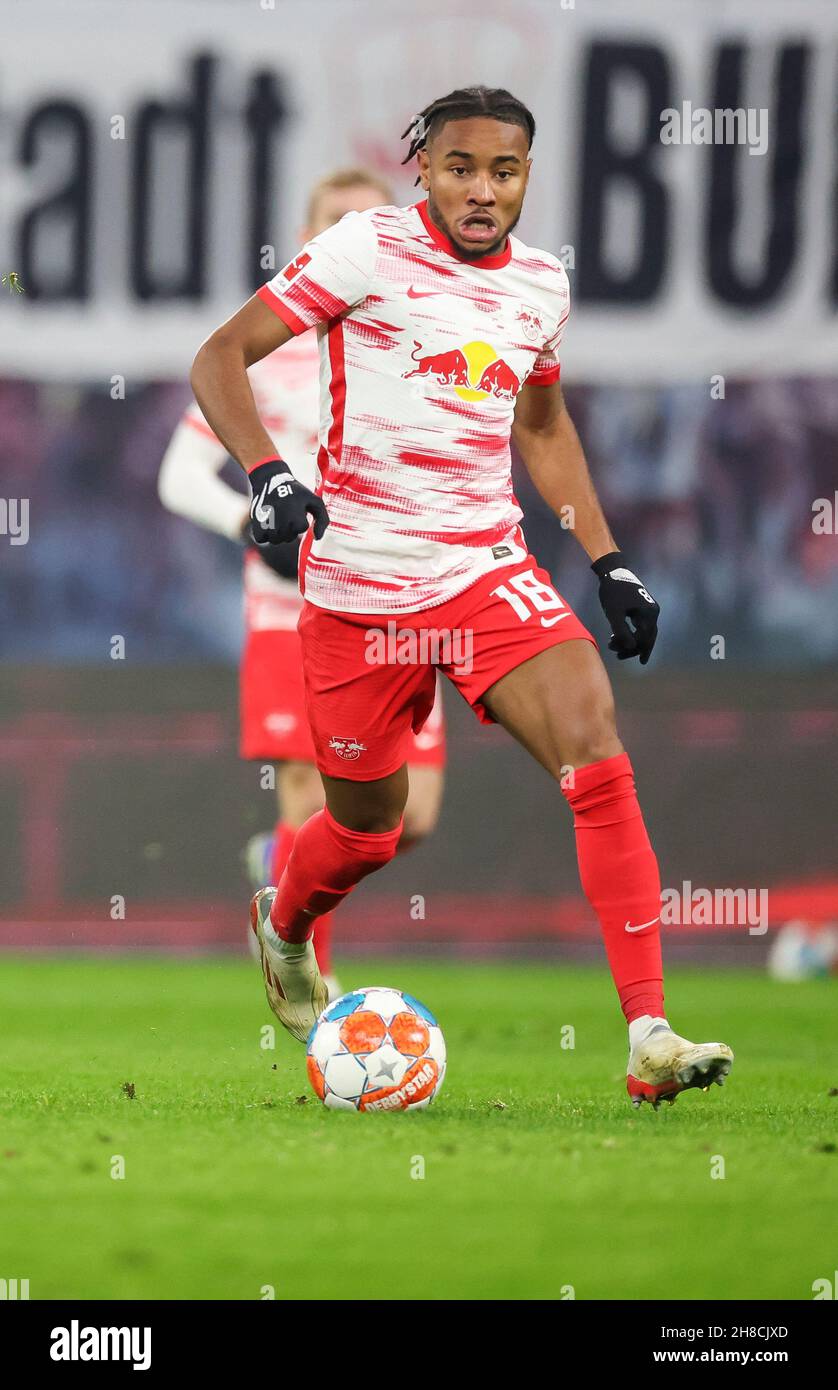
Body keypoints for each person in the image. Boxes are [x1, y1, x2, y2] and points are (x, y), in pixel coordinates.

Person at [190, 86, 733, 1108]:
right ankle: (287, 925)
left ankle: (649, 1033)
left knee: (594, 747)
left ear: (528, 176)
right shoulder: (364, 251)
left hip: (484, 569)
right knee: (366, 830)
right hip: (357, 587)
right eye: (460, 168)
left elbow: (539, 427)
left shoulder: (539, 285)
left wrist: (608, 559)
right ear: (424, 171)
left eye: (505, 170)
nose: (482, 190)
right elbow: (219, 355)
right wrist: (266, 472)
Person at [160, 168, 446, 996]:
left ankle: (280, 865)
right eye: (335, 221)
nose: (353, 233)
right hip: (290, 610)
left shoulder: (414, 352)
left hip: (398, 608)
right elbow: (179, 476)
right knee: (304, 790)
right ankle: (315, 998)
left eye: (368, 220)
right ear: (310, 238)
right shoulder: (269, 355)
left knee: (403, 817)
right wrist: (249, 523)